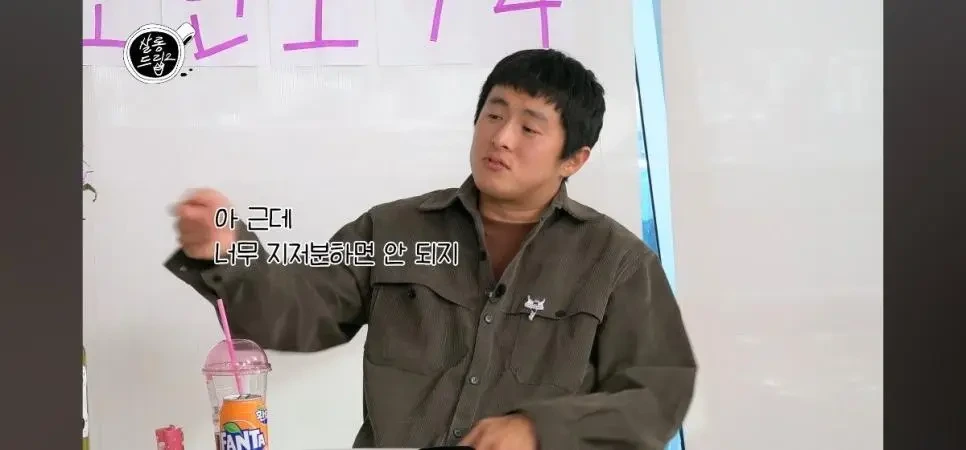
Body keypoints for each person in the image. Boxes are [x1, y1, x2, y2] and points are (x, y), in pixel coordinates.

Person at [166, 48, 697, 450]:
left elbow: (657, 395)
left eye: (529, 127)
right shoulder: (393, 229)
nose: (502, 137)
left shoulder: (617, 263)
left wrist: (542, 429)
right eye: (494, 114)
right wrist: (227, 254)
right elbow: (303, 310)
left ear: (573, 159)